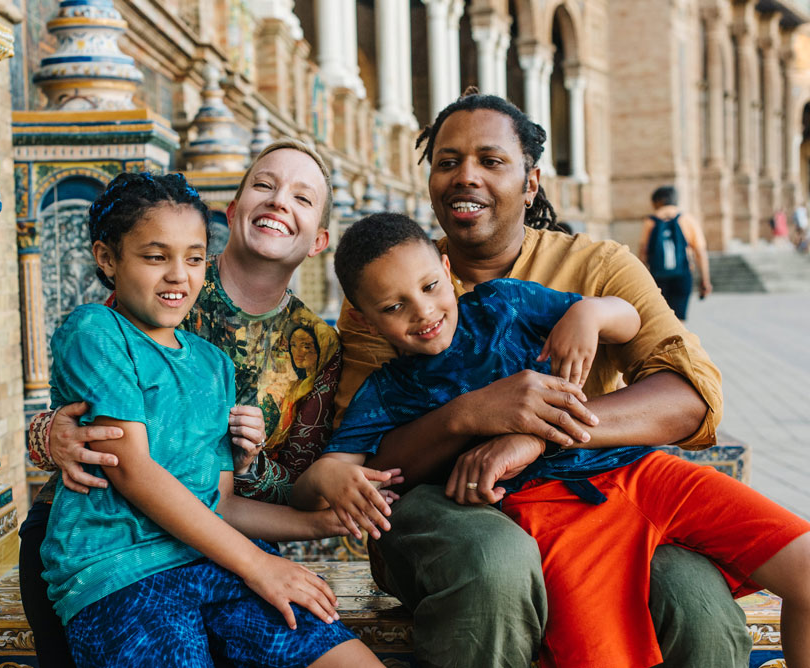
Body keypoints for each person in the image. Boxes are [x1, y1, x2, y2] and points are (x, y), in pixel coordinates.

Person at [333, 90, 752, 667]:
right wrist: (471, 414)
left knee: (695, 603)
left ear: (530, 183)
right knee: (493, 566)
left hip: (594, 493)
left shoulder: (597, 269)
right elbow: (363, 462)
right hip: (445, 508)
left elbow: (689, 395)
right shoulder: (391, 286)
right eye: (447, 162)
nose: (465, 177)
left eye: (491, 160)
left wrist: (535, 432)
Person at [294, 212, 810, 668]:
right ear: (361, 318)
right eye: (393, 306)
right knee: (599, 654)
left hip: (637, 468)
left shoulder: (507, 304)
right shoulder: (387, 392)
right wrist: (325, 473)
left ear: (448, 273)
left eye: (430, 287)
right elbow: (343, 466)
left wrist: (589, 314)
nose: (423, 312)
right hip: (546, 508)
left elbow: (629, 323)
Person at [20, 141, 398, 666]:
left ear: (320, 241)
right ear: (233, 211)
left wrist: (285, 491)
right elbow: (112, 443)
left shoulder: (303, 347)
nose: (279, 203)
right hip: (118, 553)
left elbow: (241, 493)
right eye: (264, 185)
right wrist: (44, 433)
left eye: (303, 198)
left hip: (218, 550)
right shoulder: (125, 311)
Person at [638, 185, 712, 319]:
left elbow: (643, 251)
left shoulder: (650, 221)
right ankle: (679, 339)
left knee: (660, 317)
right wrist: (705, 281)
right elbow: (700, 252)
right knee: (679, 318)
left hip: (657, 276)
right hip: (682, 274)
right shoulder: (687, 219)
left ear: (656, 201)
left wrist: (642, 279)